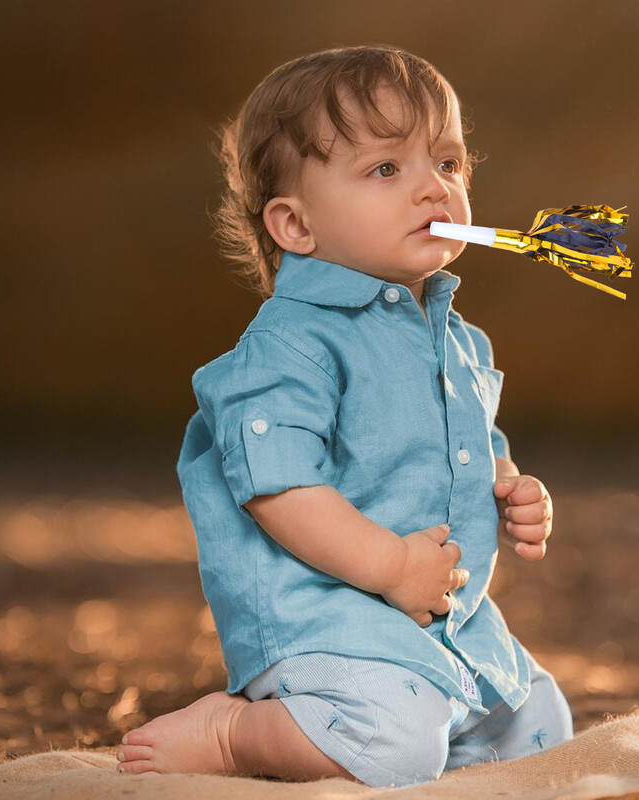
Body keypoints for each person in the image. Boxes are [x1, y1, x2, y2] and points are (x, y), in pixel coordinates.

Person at [115, 44, 574, 787]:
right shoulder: (291, 345)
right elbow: (278, 490)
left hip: (442, 625)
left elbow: (474, 445)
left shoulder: (455, 338)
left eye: (449, 163)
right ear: (296, 226)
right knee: (391, 747)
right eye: (387, 169)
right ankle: (235, 733)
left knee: (545, 728)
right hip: (325, 622)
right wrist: (391, 566)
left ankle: (427, 719)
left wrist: (514, 487)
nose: (434, 189)